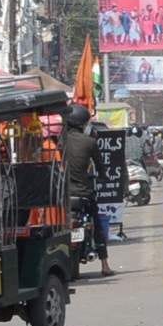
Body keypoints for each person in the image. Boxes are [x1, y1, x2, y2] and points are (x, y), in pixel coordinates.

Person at [61, 103, 112, 277]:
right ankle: (104, 265)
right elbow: (100, 167)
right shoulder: (90, 142)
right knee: (98, 224)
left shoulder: (59, 142)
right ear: (83, 123)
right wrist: (104, 177)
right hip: (83, 194)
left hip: (63, 197)